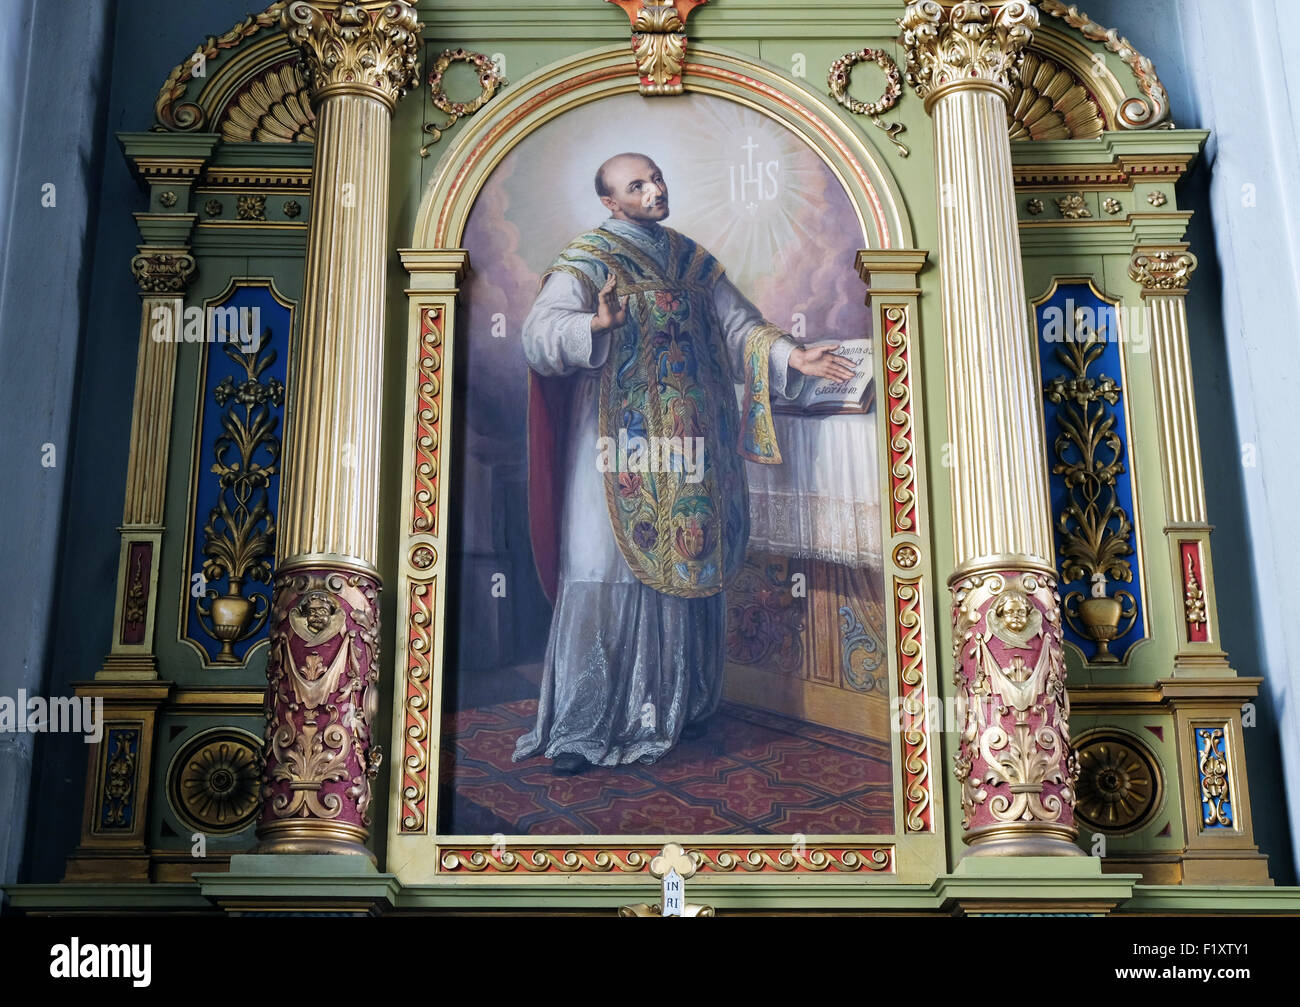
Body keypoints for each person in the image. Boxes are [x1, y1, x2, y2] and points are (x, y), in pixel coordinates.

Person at [515, 152, 853, 774]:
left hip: (696, 443)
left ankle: (676, 707)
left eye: (658, 177)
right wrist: (593, 322)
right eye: (637, 185)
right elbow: (538, 335)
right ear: (612, 203)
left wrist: (792, 358)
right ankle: (581, 726)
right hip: (615, 444)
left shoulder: (693, 260)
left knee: (686, 552)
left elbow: (740, 328)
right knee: (604, 565)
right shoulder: (588, 258)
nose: (655, 189)